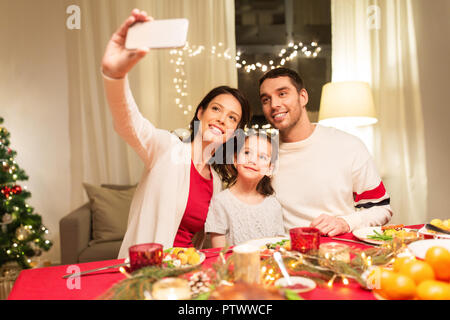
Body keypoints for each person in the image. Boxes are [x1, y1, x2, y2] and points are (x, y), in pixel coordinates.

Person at [101, 9, 251, 258]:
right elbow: (129, 123)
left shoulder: (215, 181)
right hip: (149, 273)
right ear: (201, 112)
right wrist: (115, 75)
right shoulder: (166, 148)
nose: (222, 120)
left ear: (234, 132)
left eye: (232, 118)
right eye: (216, 109)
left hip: (190, 269)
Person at [258, 67, 392, 237]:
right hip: (286, 255)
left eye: (282, 94)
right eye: (266, 99)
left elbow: (381, 207)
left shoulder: (349, 146)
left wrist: (345, 222)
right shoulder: (262, 154)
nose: (274, 104)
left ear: (303, 97)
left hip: (342, 252)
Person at [205, 131, 285, 247]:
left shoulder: (273, 205)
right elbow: (219, 253)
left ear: (270, 169)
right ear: (236, 160)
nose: (252, 160)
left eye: (262, 157)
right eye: (247, 152)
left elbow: (278, 246)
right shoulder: (221, 202)